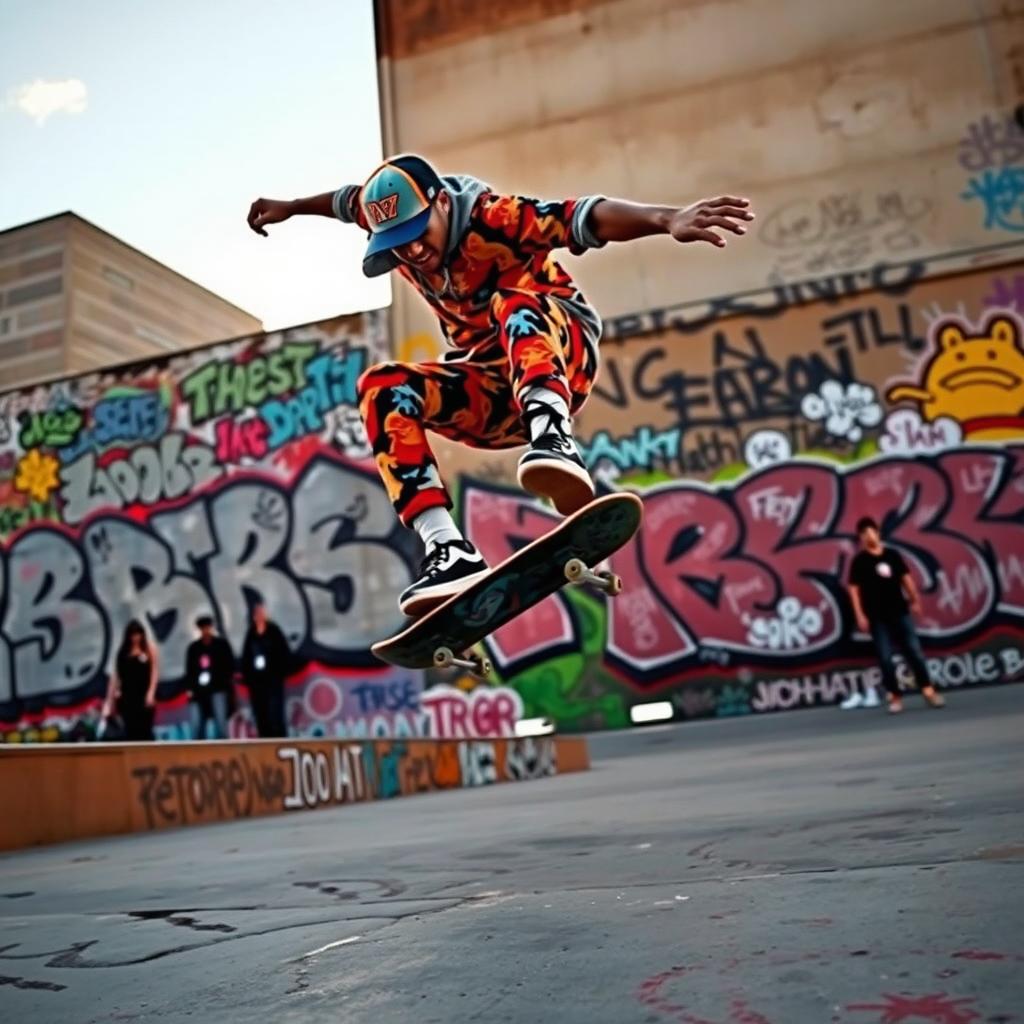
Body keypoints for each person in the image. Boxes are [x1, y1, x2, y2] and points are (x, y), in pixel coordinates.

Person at [248, 155, 753, 615]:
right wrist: (289, 208)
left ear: (441, 201)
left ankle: (554, 438)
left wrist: (667, 220)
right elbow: (343, 202)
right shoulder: (383, 211)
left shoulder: (495, 216)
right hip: (494, 393)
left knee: (512, 302)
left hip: (560, 355)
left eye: (420, 232)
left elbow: (585, 216)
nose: (415, 251)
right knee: (380, 386)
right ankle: (449, 551)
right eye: (399, 245)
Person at [847, 517, 946, 714]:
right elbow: (853, 590)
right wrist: (860, 615)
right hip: (876, 617)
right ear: (860, 538)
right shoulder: (859, 562)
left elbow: (905, 579)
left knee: (914, 651)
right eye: (864, 534)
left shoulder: (892, 556)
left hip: (900, 612)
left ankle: (928, 691)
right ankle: (895, 697)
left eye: (871, 532)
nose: (868, 536)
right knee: (885, 658)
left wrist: (915, 599)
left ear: (878, 533)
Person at [102, 619, 158, 741]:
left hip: (143, 695)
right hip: (127, 696)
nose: (136, 637)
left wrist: (151, 692)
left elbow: (154, 672)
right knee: (130, 730)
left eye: (138, 634)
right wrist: (109, 701)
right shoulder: (123, 653)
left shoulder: (149, 649)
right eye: (133, 634)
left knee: (145, 730)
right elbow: (115, 676)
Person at [241, 602, 290, 737]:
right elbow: (246, 656)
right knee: (261, 713)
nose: (260, 616)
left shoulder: (274, 631)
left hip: (273, 680)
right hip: (257, 683)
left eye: (262, 613)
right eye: (257, 613)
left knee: (275, 714)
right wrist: (248, 678)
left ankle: (279, 741)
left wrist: (279, 672)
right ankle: (264, 740)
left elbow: (283, 653)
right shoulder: (251, 633)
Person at [184, 615, 235, 739]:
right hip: (199, 692)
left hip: (218, 688)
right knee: (197, 724)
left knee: (220, 722)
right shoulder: (194, 648)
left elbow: (229, 666)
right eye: (202, 628)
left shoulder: (221, 645)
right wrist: (191, 689)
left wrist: (224, 684)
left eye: (207, 627)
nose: (205, 631)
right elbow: (189, 670)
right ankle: (199, 752)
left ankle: (224, 750)